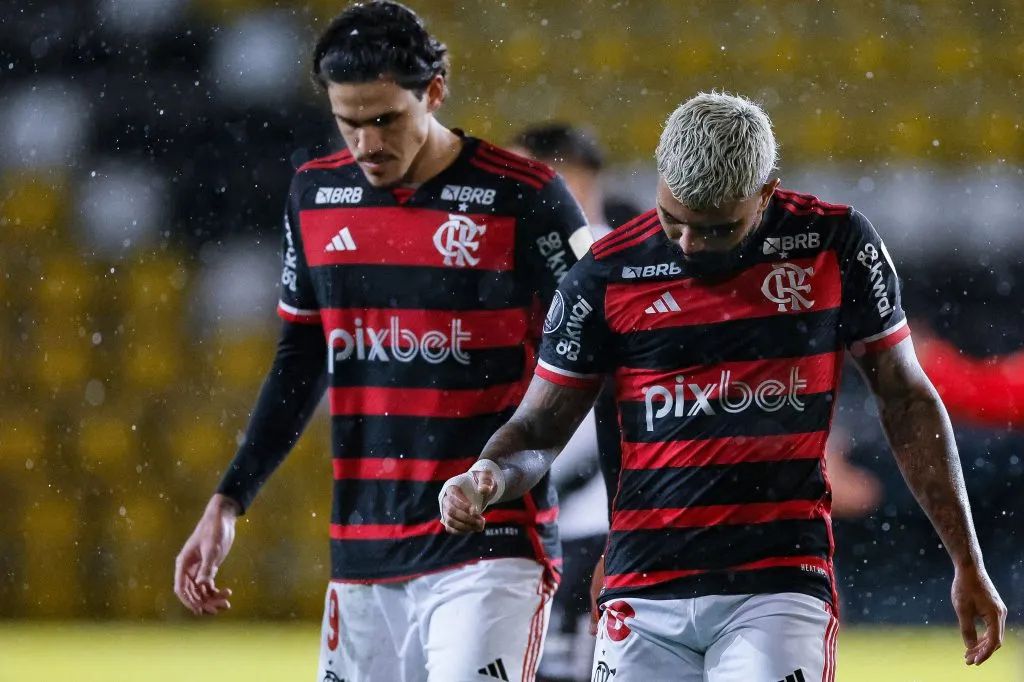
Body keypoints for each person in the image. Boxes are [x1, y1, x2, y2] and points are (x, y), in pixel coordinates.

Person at [440, 91, 1006, 681]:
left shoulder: (835, 245)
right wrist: (489, 474)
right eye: (673, 219)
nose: (688, 243)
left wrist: (966, 559)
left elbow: (906, 399)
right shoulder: (605, 274)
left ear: (766, 191)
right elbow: (539, 427)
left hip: (778, 584)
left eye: (716, 228)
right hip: (642, 587)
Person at [172, 3, 591, 681]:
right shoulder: (314, 194)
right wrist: (229, 500)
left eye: (386, 120)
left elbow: (598, 345)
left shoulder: (526, 196)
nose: (367, 143)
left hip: (489, 541)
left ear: (435, 92)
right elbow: (300, 358)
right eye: (349, 122)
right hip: (363, 550)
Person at [508, 123, 641, 682]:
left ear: (570, 182)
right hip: (535, 503)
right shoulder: (517, 260)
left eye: (519, 177)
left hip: (590, 510)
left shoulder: (618, 264)